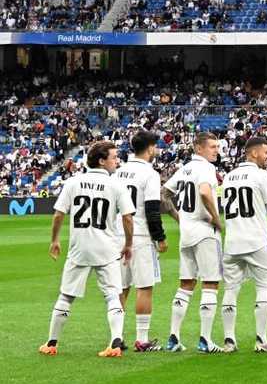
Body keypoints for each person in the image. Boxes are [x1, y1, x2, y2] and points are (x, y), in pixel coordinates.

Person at [40, 140, 135, 358]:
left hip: (79, 248)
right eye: (113, 157)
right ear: (102, 161)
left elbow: (58, 214)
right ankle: (115, 343)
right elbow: (128, 219)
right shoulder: (116, 185)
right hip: (107, 248)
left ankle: (52, 343)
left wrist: (55, 240)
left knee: (65, 296)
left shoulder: (74, 182)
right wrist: (128, 244)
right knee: (113, 295)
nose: (116, 161)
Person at [218, 136, 267, 353]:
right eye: (266, 152)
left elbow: (225, 206)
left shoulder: (228, 177)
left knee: (230, 289)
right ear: (253, 153)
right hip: (256, 240)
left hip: (233, 241)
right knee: (263, 288)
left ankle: (229, 340)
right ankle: (261, 340)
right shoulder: (262, 175)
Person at [162, 132, 223, 353]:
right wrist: (216, 220)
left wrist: (180, 218)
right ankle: (205, 340)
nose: (216, 150)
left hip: (186, 234)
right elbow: (205, 192)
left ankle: (173, 337)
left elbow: (164, 194)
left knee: (186, 284)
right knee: (211, 283)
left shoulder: (185, 168)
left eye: (217, 146)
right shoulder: (206, 168)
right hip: (205, 233)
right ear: (199, 148)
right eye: (212, 147)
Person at [113, 130, 166, 352]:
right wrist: (160, 237)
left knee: (120, 287)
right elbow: (153, 209)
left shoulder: (117, 172)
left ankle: (116, 337)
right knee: (144, 286)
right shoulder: (150, 174)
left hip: (116, 235)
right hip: (140, 235)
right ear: (150, 148)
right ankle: (142, 339)